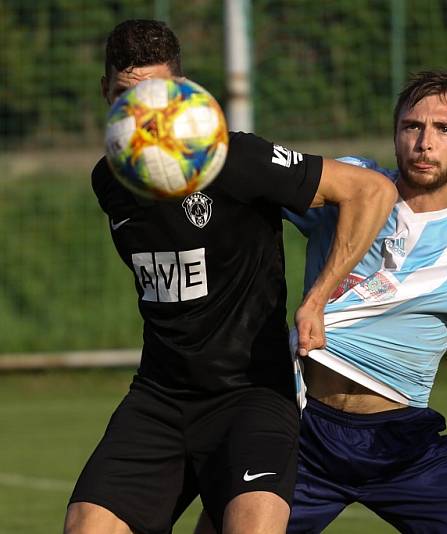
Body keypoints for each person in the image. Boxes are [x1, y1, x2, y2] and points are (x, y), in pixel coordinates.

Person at [193, 69, 447, 534]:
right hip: (301, 426)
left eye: (444, 130)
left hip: (401, 441)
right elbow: (262, 189)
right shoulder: (351, 186)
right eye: (413, 126)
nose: (425, 142)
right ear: (396, 133)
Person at [63, 19, 396, 534]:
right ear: (105, 92)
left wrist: (317, 299)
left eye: (157, 97)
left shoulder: (233, 156)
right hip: (159, 398)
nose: (143, 119)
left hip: (251, 398)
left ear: (184, 95)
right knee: (87, 526)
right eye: (128, 100)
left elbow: (370, 191)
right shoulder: (109, 179)